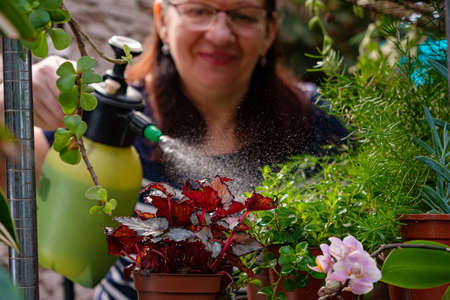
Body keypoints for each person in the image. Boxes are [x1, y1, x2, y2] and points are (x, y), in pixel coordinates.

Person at [0, 0, 348, 298]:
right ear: (163, 20)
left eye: (243, 15)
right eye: (198, 10)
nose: (220, 33)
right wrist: (11, 106)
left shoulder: (320, 123)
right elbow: (9, 175)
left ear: (269, 31)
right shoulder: (115, 119)